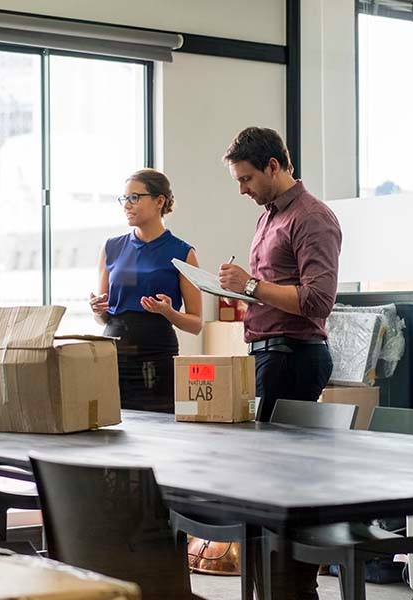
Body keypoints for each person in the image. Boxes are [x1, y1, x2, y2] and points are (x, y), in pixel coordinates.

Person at [218, 126, 342, 600]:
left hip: (293, 356)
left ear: (274, 166)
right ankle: (274, 588)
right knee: (264, 485)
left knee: (283, 488)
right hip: (268, 353)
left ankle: (292, 591)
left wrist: (249, 287)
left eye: (246, 179)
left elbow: (317, 301)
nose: (242, 189)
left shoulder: (312, 218)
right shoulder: (267, 216)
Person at [90, 168, 202, 413]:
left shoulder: (182, 253)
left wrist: (169, 312)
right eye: (124, 199)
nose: (127, 205)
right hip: (114, 354)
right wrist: (96, 309)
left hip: (157, 355)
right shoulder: (112, 248)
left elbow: (196, 324)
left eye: (134, 198)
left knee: (159, 433)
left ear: (159, 201)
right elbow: (103, 316)